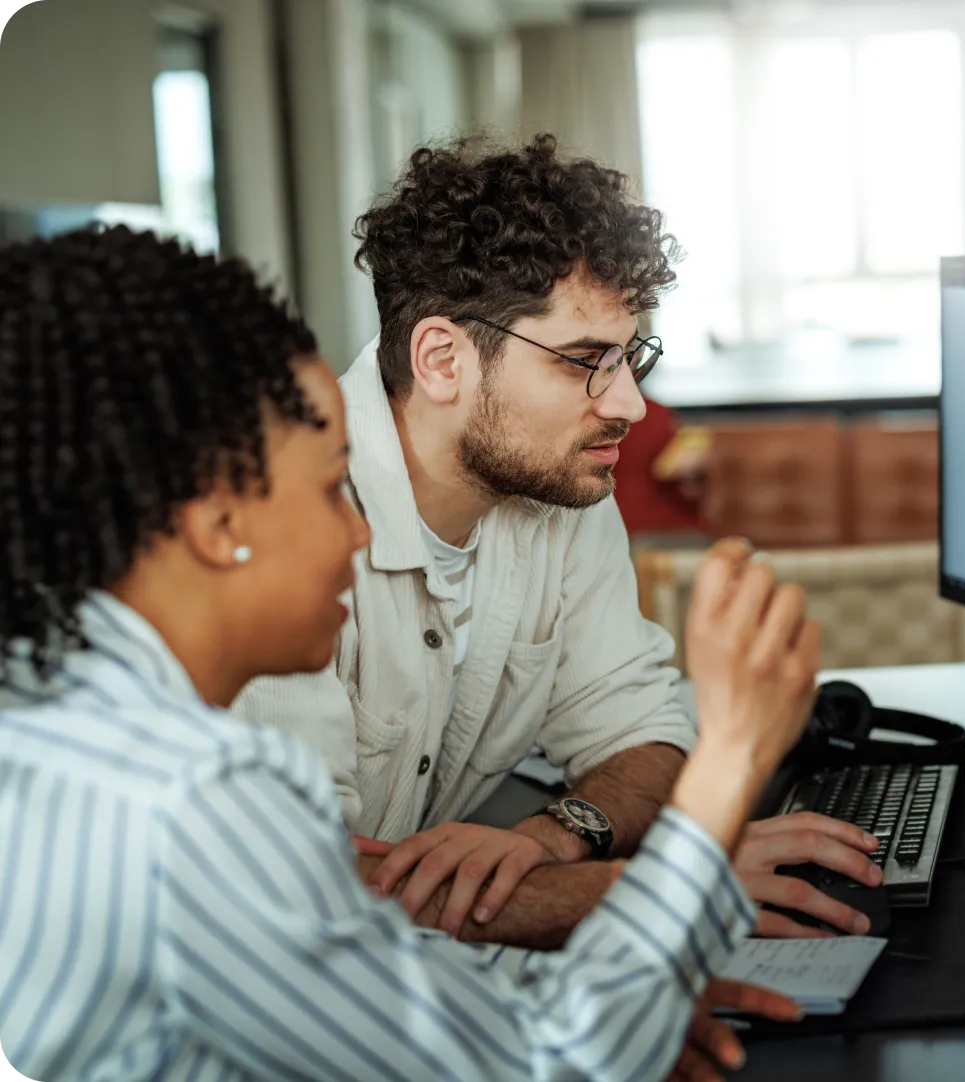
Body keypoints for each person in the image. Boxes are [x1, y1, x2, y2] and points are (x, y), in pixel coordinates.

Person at [0, 224, 811, 1081]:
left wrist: (544, 938)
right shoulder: (199, 796)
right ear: (218, 525)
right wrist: (730, 761)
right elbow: (561, 1065)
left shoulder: (58, 721)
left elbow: (325, 972)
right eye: (325, 486)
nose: (356, 527)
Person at [235, 134, 881, 945]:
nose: (632, 407)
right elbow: (296, 892)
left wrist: (553, 837)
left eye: (629, 357)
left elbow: (645, 732)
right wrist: (668, 891)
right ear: (443, 360)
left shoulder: (559, 489)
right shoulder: (276, 533)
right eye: (585, 361)